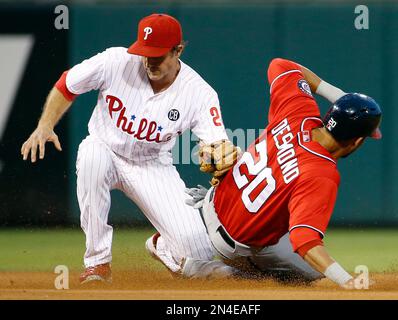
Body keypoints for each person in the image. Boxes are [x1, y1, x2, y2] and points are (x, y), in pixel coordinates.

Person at [21, 13, 239, 284]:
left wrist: (215, 154)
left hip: (152, 164)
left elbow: (215, 143)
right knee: (92, 158)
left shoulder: (200, 93)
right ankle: (97, 263)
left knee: (200, 252)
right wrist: (45, 125)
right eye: (145, 53)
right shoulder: (116, 60)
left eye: (158, 55)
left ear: (178, 50)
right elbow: (67, 84)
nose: (149, 61)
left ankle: (162, 246)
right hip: (105, 148)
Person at [185, 58, 382, 289]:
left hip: (214, 201)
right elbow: (305, 241)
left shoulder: (300, 112)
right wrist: (346, 280)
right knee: (308, 276)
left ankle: (196, 231)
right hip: (233, 243)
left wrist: (337, 94)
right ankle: (218, 272)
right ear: (358, 141)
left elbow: (280, 65)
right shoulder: (321, 174)